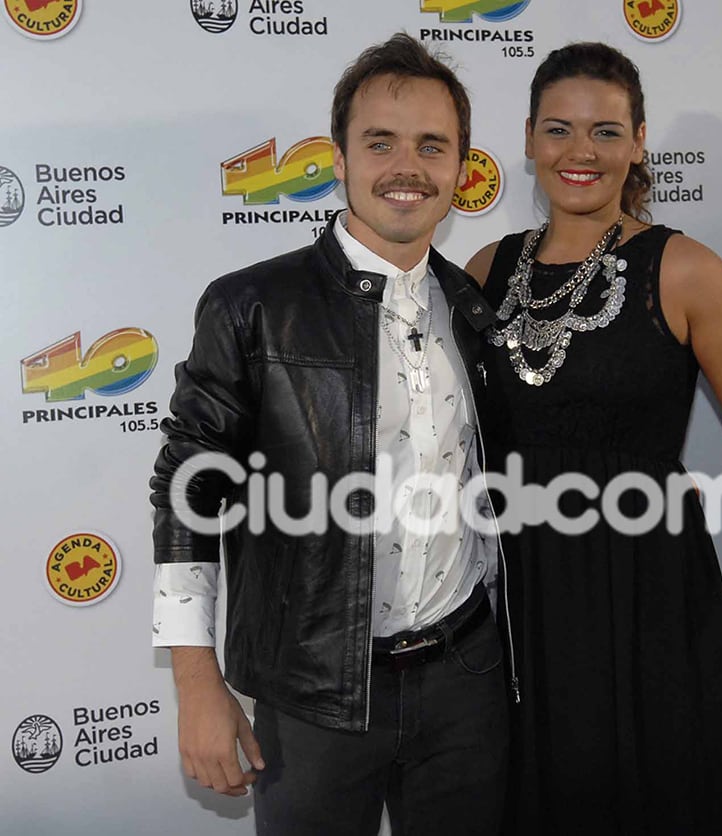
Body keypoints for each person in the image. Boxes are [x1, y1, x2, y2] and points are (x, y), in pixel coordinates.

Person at [465, 42, 722, 834]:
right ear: (528, 140)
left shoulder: (685, 268)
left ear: (637, 144)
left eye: (606, 131)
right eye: (559, 129)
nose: (581, 152)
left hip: (644, 589)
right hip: (522, 592)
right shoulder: (484, 269)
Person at [149, 34, 508, 836]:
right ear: (339, 159)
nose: (405, 167)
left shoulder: (478, 312)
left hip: (468, 680)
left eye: (431, 145)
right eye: (379, 142)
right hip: (313, 693)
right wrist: (196, 682)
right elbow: (187, 488)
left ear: (461, 169)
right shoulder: (251, 305)